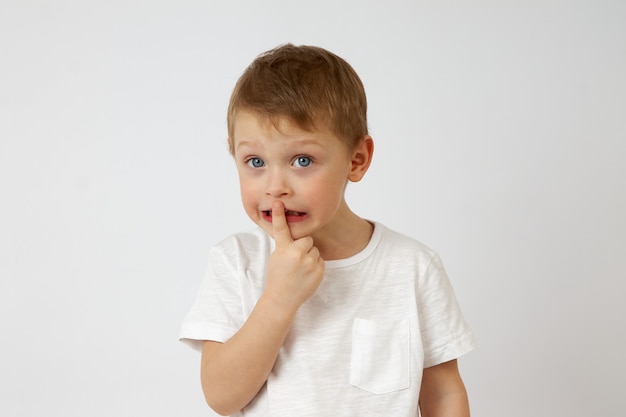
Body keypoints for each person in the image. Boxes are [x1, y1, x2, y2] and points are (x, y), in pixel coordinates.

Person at [179, 43, 477, 417]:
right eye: (254, 161)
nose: (275, 187)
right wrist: (278, 298)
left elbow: (442, 394)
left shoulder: (412, 267)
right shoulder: (237, 262)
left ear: (357, 160)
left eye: (302, 160)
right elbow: (221, 397)